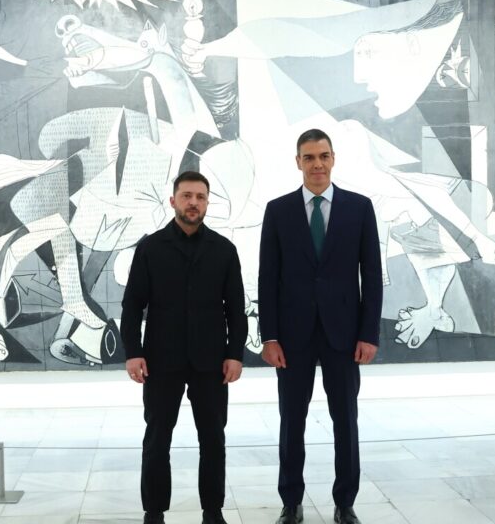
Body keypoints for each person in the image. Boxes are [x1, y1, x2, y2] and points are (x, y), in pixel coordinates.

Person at [258, 129, 383, 524]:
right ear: (298, 162)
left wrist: (369, 334)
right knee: (291, 421)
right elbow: (267, 279)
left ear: (333, 159)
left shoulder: (359, 208)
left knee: (345, 421)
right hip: (291, 336)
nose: (317, 164)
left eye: (323, 156)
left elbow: (372, 276)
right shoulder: (278, 210)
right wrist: (269, 336)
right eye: (309, 157)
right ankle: (291, 502)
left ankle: (345, 503)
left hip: (343, 335)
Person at [121, 170, 248, 524]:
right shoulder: (150, 248)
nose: (194, 202)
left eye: (200, 197)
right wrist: (133, 351)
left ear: (207, 203)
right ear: (173, 200)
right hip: (161, 360)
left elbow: (235, 309)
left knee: (213, 440)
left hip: (211, 361)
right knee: (157, 439)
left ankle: (213, 511)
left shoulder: (224, 250)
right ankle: (154, 512)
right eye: (187, 196)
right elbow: (132, 305)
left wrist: (235, 354)